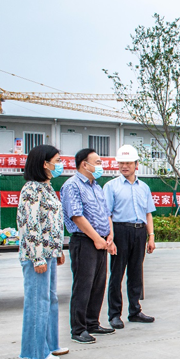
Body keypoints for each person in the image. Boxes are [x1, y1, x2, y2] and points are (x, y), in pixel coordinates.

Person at [17, 145, 67, 359]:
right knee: (38, 302)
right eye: (57, 160)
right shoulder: (31, 189)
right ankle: (36, 352)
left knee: (50, 299)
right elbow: (30, 225)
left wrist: (58, 250)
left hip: (49, 253)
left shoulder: (47, 188)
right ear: (45, 164)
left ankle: (51, 344)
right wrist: (37, 257)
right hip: (36, 255)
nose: (60, 164)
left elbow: (53, 223)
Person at [61, 148, 116, 344]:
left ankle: (92, 322)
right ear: (85, 164)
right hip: (84, 241)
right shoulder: (72, 186)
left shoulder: (96, 186)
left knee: (98, 284)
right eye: (98, 162)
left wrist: (110, 235)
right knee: (83, 285)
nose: (101, 166)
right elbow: (76, 216)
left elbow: (106, 213)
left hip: (101, 240)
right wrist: (95, 238)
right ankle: (78, 329)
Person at [103, 145, 156, 329]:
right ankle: (114, 314)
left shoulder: (144, 187)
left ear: (136, 165)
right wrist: (110, 237)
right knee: (117, 274)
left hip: (139, 231)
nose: (124, 166)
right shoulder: (111, 186)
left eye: (128, 163)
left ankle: (135, 311)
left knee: (136, 273)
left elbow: (148, 213)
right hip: (120, 231)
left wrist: (151, 236)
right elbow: (107, 214)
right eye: (121, 163)